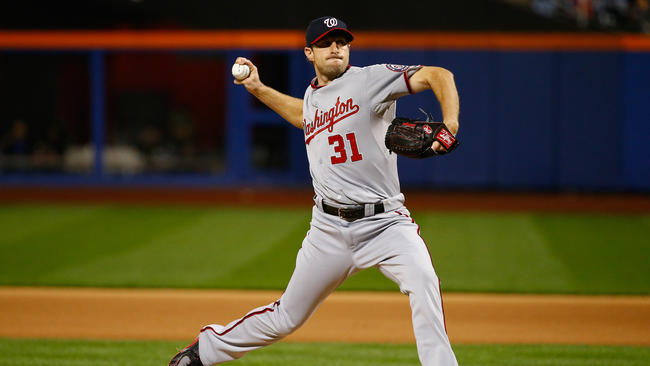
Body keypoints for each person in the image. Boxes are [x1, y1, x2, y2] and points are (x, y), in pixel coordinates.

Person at [169, 16, 460, 366]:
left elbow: (438, 75)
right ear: (309, 53)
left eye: (341, 41)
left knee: (424, 281)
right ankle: (204, 351)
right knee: (286, 317)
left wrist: (451, 122)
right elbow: (305, 116)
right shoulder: (313, 95)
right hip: (329, 229)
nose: (335, 48)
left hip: (386, 224)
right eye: (325, 43)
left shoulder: (371, 79)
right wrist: (258, 88)